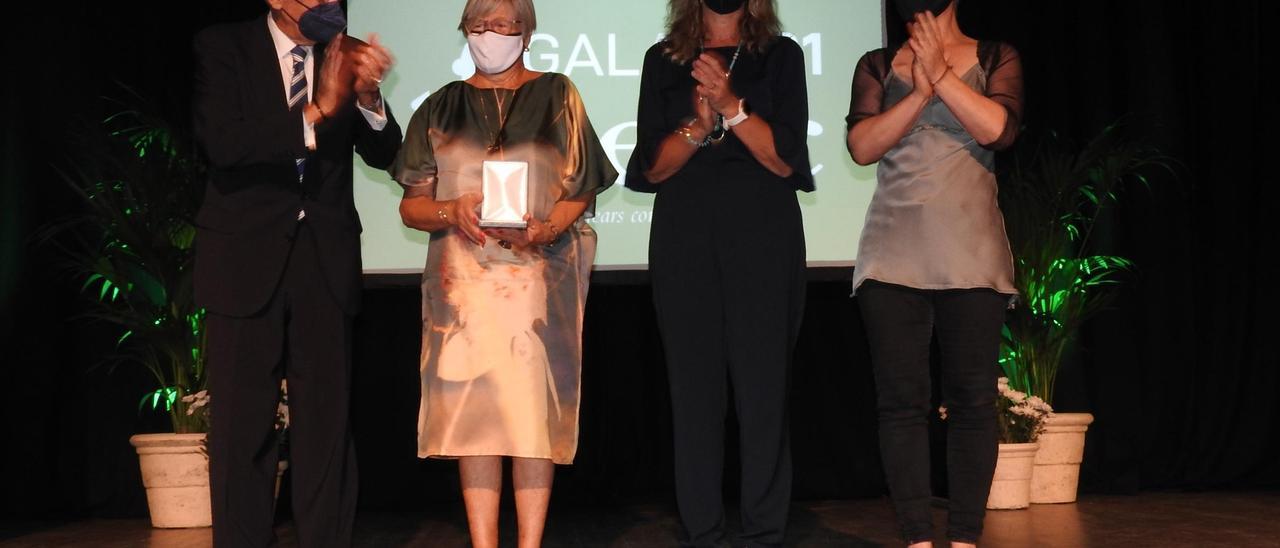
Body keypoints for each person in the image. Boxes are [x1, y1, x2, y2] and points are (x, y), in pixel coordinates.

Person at [392, 0, 617, 546]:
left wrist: (544, 229)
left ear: (527, 31)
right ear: (464, 31)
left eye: (503, 25)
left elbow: (582, 190)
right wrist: (452, 209)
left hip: (539, 284)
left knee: (532, 417)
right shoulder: (440, 107)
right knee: (474, 418)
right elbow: (411, 206)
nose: (490, 35)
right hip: (464, 289)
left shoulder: (558, 94)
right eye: (479, 25)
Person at [191, 0, 402, 545]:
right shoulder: (224, 47)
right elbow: (223, 144)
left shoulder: (345, 53)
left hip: (324, 261)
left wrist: (369, 97)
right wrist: (315, 112)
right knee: (242, 426)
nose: (327, 4)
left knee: (326, 426)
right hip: (243, 259)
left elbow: (386, 154)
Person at [624, 0, 812, 545]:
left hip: (764, 242)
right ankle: (702, 531)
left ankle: (764, 532)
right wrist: (697, 124)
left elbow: (785, 160)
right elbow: (652, 168)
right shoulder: (663, 60)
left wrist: (732, 107)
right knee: (694, 394)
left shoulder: (781, 57)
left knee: (763, 393)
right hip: (686, 242)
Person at [845, 0, 1024, 546]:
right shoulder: (876, 64)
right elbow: (861, 146)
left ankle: (966, 536)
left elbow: (999, 130)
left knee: (972, 399)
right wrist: (920, 90)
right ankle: (918, 537)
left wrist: (941, 74)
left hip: (971, 253)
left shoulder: (995, 55)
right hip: (892, 254)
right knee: (901, 403)